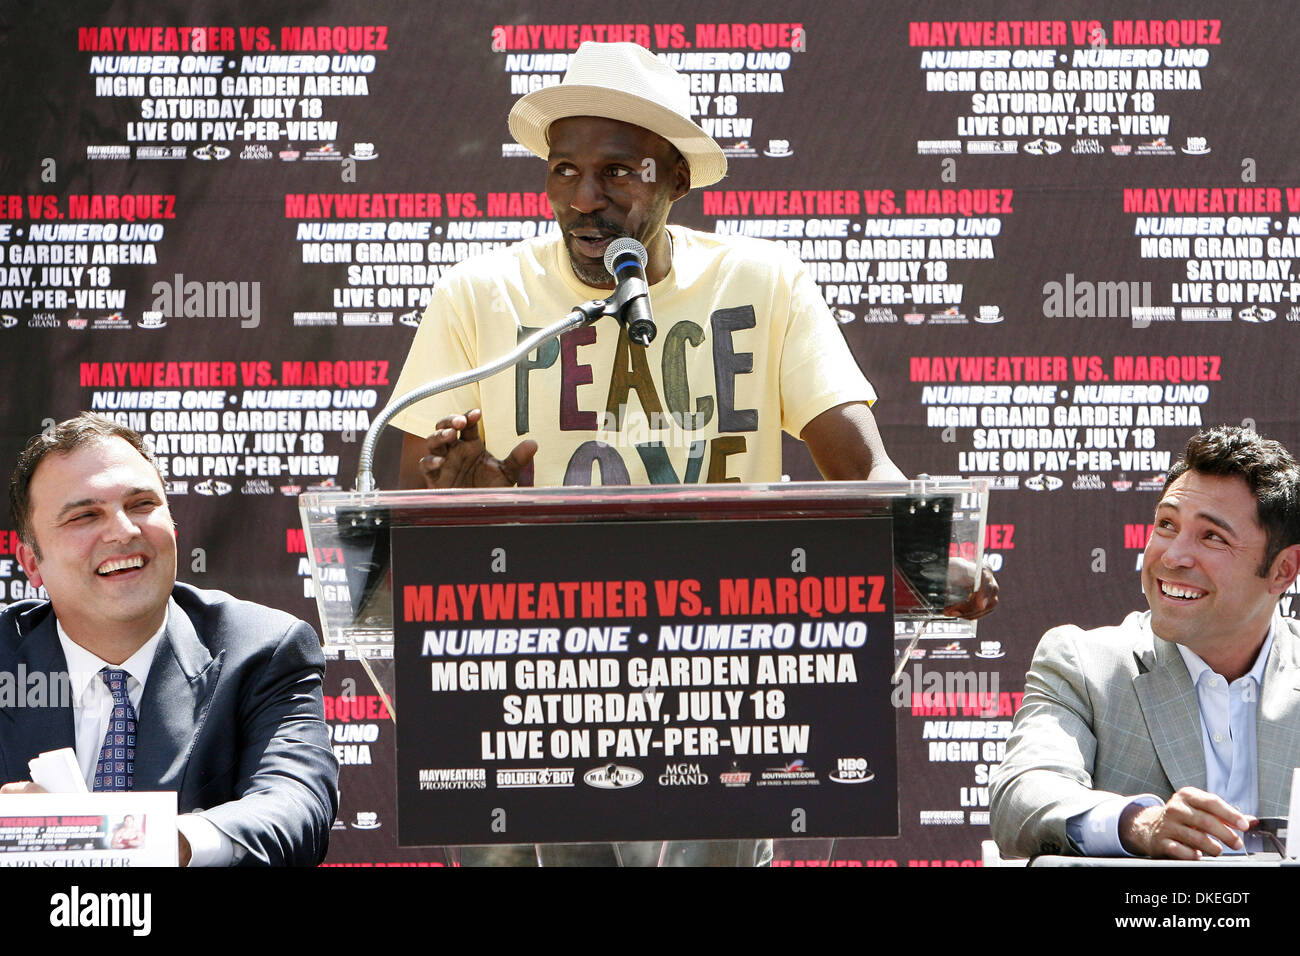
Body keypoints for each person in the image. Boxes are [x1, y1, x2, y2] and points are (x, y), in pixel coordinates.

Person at [392, 40, 907, 491]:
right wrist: (467, 508)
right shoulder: (479, 294)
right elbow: (410, 510)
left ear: (677, 180)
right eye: (565, 170)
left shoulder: (765, 282)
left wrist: (926, 549)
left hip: (725, 601)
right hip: (541, 598)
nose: (585, 199)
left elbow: (865, 471)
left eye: (616, 171)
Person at [0, 413, 338, 866]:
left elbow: (295, 811)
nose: (123, 530)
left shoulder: (263, 651)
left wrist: (131, 839)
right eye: (84, 515)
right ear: (31, 563)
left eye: (141, 504)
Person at [990, 425, 1300, 859]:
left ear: (1283, 570)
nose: (1172, 556)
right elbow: (1022, 796)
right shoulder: (1084, 664)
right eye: (1167, 525)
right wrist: (1138, 823)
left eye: (1212, 537)